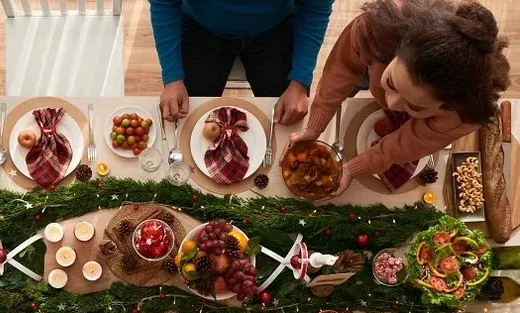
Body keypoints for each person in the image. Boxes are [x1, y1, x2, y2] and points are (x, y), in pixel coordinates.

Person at [285, 0, 511, 197]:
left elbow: (406, 144)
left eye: (414, 106)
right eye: (392, 83)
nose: (390, 104)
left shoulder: (463, 116)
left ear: (448, 107)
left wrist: (353, 168)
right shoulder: (374, 32)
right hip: (375, 60)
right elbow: (341, 70)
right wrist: (316, 124)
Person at [150, 0, 335, 125]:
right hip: (200, 27)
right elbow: (163, 3)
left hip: (275, 27)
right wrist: (172, 78)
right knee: (187, 119)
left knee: (288, 117)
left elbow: (316, 8)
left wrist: (300, 81)